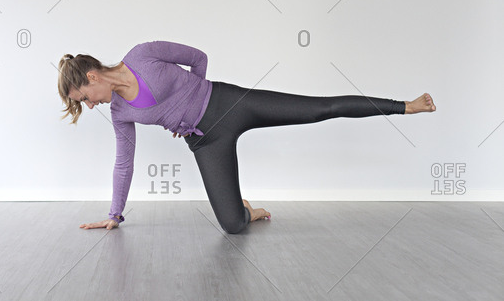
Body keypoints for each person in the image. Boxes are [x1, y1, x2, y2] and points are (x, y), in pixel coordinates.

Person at [57, 40, 436, 234]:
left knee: (319, 109)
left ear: (92, 77)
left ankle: (406, 105)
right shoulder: (121, 113)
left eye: (84, 99)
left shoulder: (142, 55)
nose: (90, 106)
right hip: (206, 141)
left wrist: (198, 94)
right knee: (233, 226)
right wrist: (114, 215)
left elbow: (197, 56)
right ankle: (248, 208)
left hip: (230, 102)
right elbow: (124, 162)